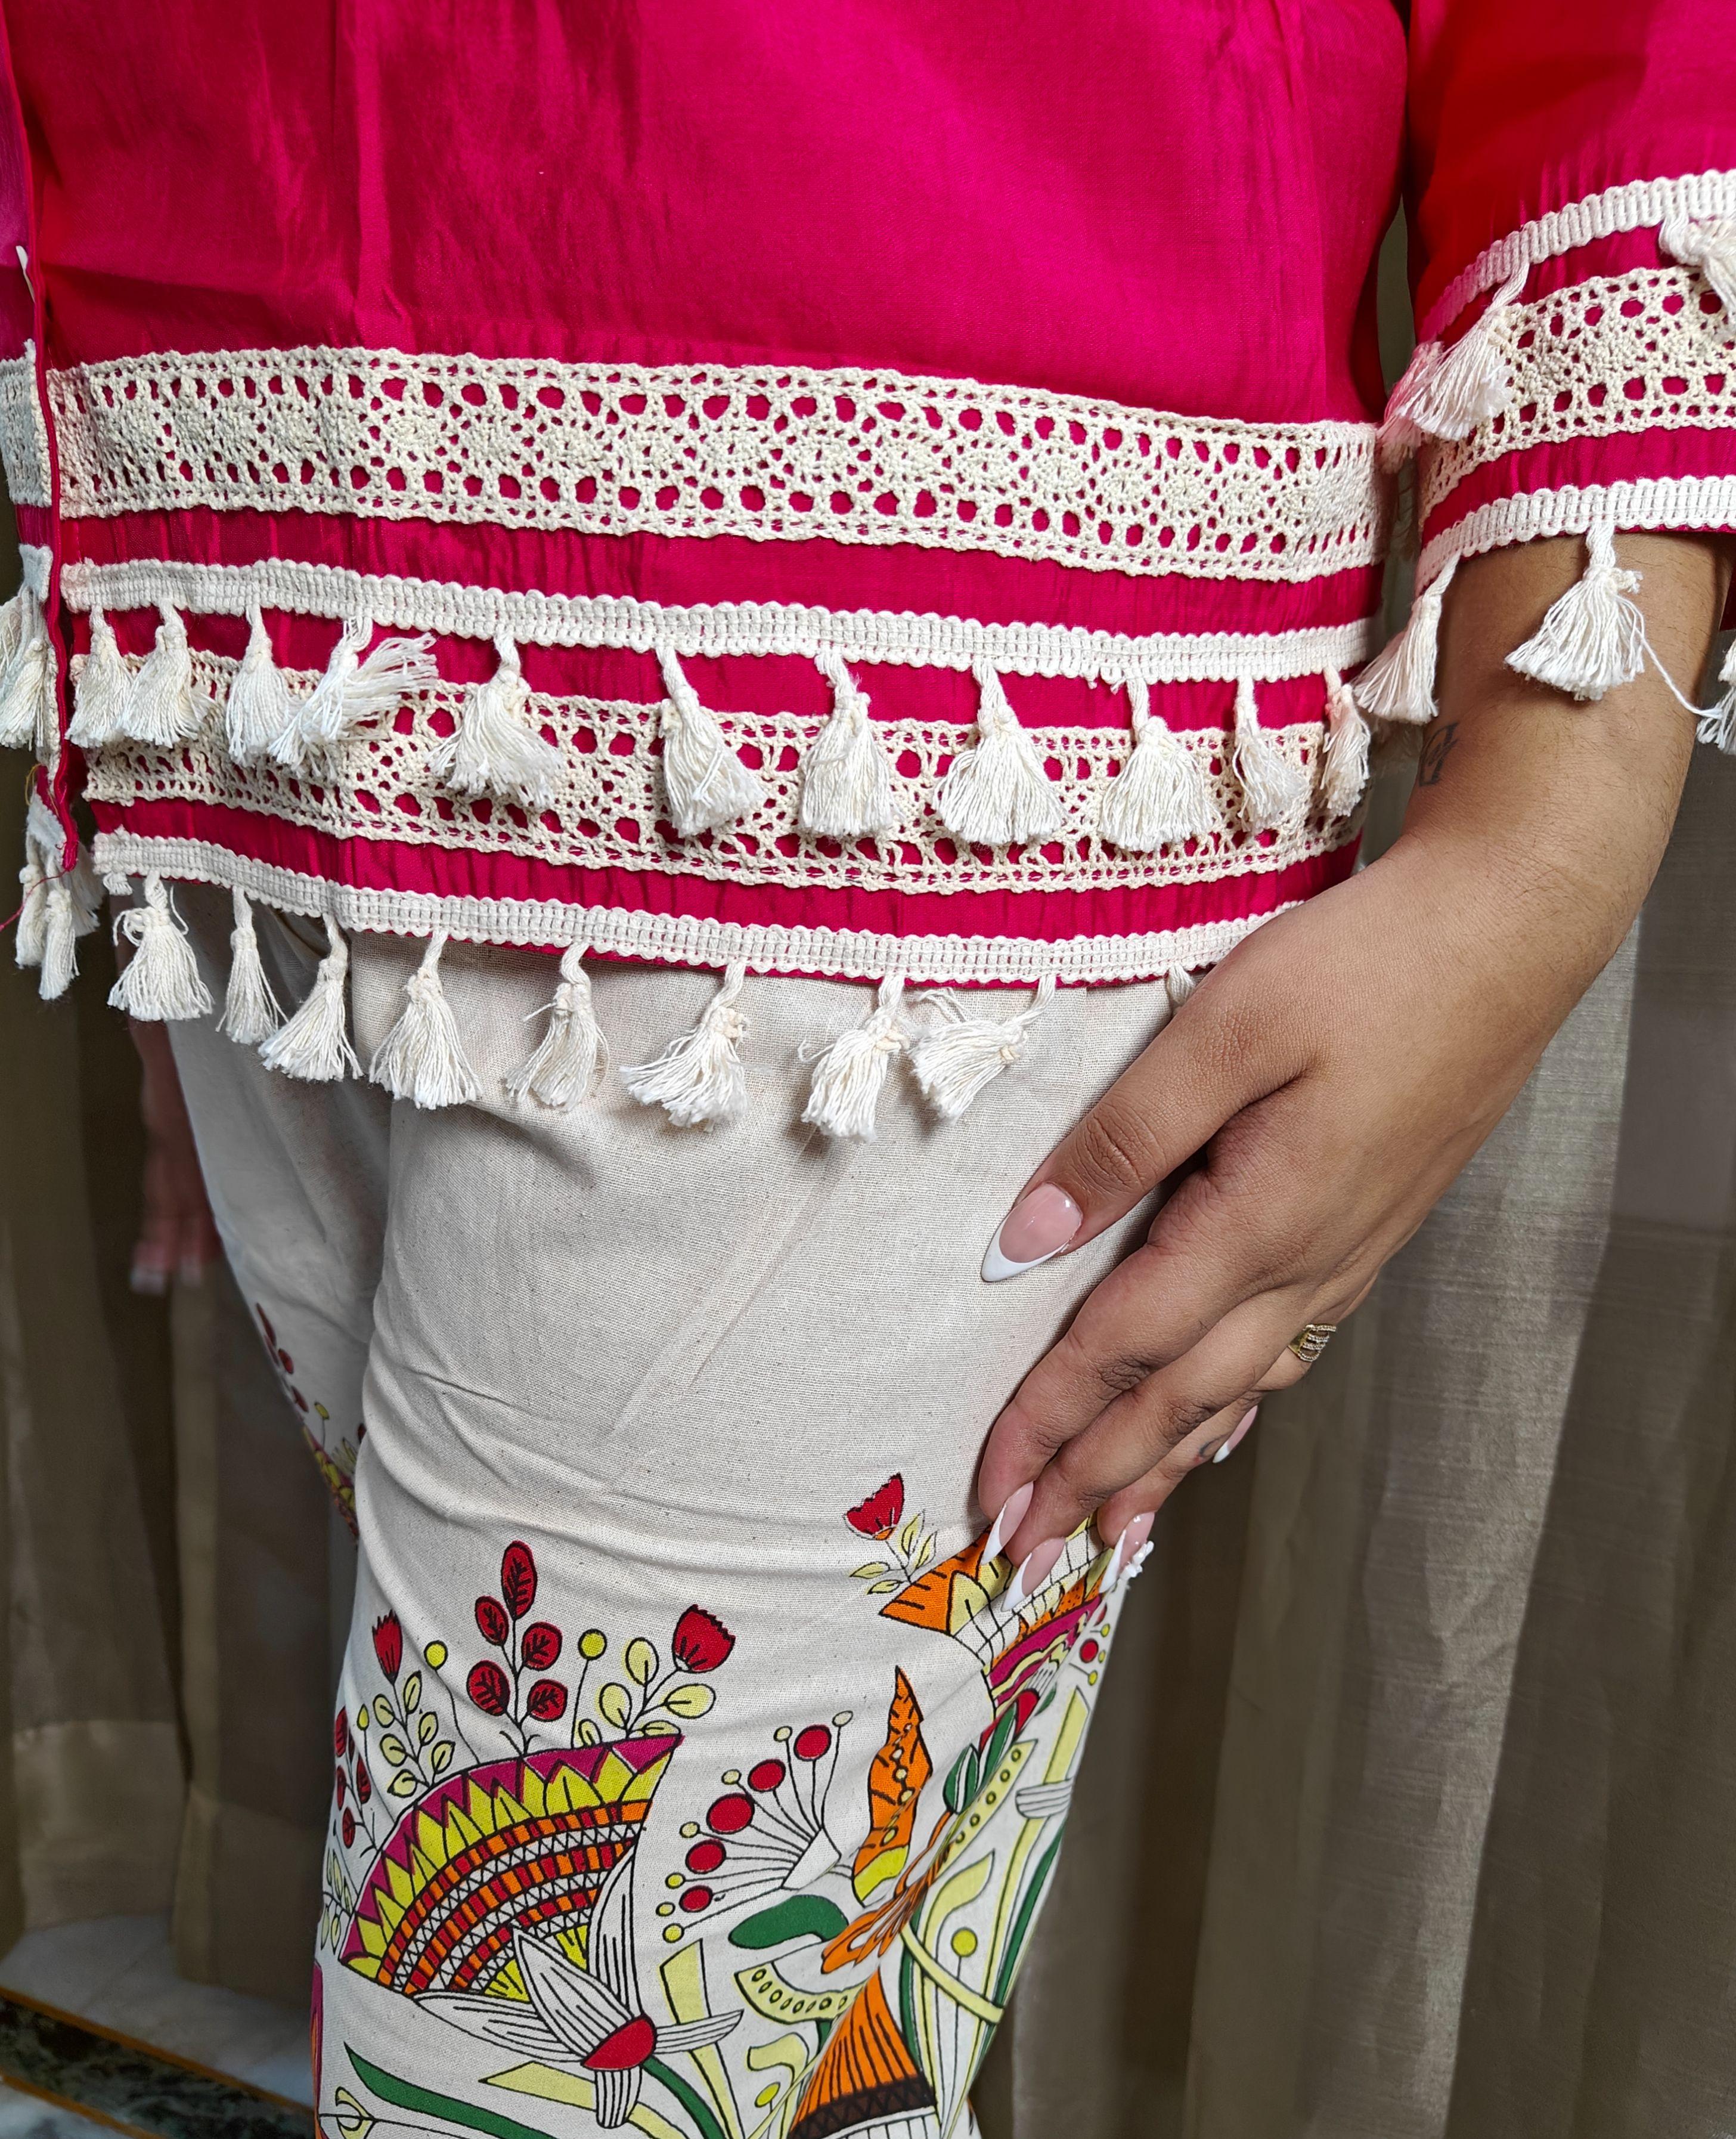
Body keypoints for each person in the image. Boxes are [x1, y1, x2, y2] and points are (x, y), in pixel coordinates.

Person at [2, 5, 1732, 2132]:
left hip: (876, 690)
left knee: (591, 2060)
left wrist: (1555, 824)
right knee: (753, 2060)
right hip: (244, 576)